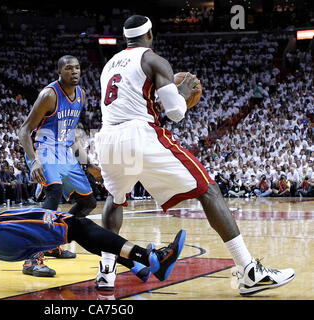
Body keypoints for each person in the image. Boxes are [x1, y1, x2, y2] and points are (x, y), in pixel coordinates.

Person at [94, 15, 295, 296]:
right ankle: (248, 270)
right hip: (138, 133)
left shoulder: (108, 66)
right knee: (208, 189)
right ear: (149, 34)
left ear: (126, 37)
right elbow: (175, 113)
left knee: (115, 199)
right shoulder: (154, 60)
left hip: (106, 139)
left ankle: (106, 273)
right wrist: (181, 93)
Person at [0, 150, 186, 291]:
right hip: (0, 226)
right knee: (78, 225)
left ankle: (138, 265)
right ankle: (150, 258)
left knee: (75, 230)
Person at [18, 55, 97, 269]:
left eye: (78, 67)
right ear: (59, 72)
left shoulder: (81, 94)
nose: (75, 71)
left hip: (63, 151)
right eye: (69, 68)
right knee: (54, 191)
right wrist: (34, 162)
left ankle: (53, 242)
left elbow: (69, 133)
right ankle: (33, 256)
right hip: (43, 148)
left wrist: (88, 164)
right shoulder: (49, 95)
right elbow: (24, 130)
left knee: (88, 202)